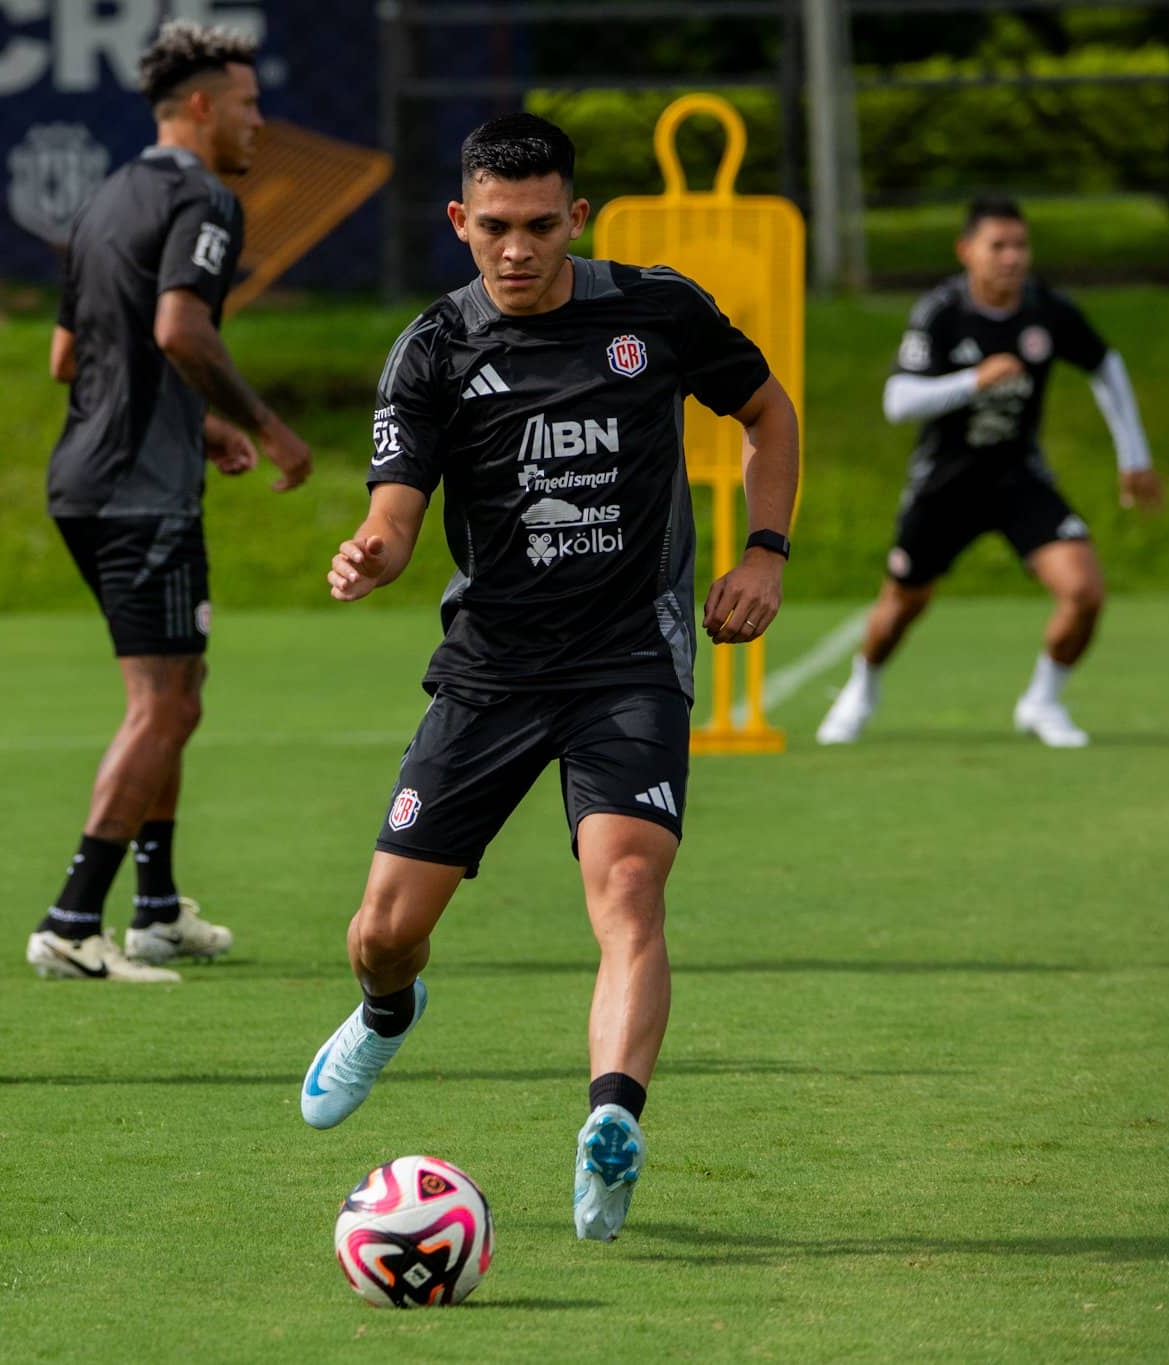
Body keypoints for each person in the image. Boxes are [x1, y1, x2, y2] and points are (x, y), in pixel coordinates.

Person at [297, 114, 799, 1245]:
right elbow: (394, 509)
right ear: (458, 224)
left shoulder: (656, 311)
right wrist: (372, 552)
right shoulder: (431, 349)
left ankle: (608, 1126)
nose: (514, 250)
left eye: (536, 226)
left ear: (575, 216)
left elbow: (766, 412)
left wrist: (763, 550)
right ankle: (386, 1012)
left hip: (628, 657)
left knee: (626, 890)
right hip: (489, 672)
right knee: (380, 931)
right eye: (491, 229)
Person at [29, 21, 313, 983]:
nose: (256, 123)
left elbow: (70, 357)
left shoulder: (107, 198)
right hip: (140, 494)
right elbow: (179, 329)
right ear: (199, 107)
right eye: (246, 105)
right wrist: (265, 423)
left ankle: (154, 907)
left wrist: (201, 430)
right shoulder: (204, 198)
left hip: (84, 478)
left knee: (175, 700)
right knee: (161, 706)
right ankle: (72, 918)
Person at [816, 196, 1161, 749]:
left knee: (1085, 590)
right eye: (997, 246)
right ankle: (863, 686)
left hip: (1017, 478)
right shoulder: (941, 312)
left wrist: (1135, 457)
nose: (1012, 257)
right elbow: (897, 401)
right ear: (966, 251)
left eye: (1020, 245)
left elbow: (1106, 365)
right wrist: (973, 380)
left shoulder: (1046, 309)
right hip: (945, 483)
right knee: (903, 604)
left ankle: (1043, 701)